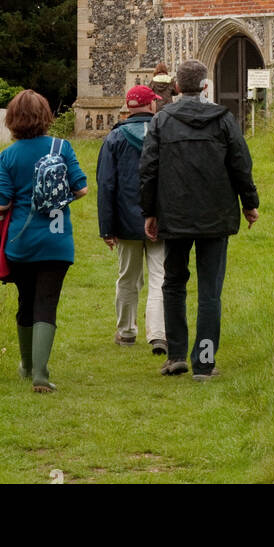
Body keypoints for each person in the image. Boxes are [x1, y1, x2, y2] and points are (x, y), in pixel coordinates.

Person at [139, 58, 259, 380]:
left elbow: (148, 169)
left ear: (177, 87)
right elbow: (240, 165)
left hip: (175, 215)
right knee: (209, 292)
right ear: (205, 86)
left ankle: (177, 355)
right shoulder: (223, 120)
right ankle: (204, 363)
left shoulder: (161, 120)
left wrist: (149, 212)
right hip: (214, 217)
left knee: (173, 284)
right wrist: (250, 204)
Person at [0, 89, 87, 393]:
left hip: (21, 242)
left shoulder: (8, 156)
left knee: (26, 302)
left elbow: (3, 202)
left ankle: (27, 365)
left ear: (12, 120)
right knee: (47, 303)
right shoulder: (62, 147)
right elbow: (82, 189)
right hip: (57, 241)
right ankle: (41, 376)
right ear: (45, 116)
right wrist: (57, 198)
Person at [97, 83, 166, 355]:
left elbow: (106, 185)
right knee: (160, 276)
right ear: (150, 106)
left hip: (126, 220)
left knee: (128, 276)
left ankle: (126, 331)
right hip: (161, 217)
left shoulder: (115, 139)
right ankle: (158, 333)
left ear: (129, 108)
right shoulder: (165, 134)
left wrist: (107, 227)